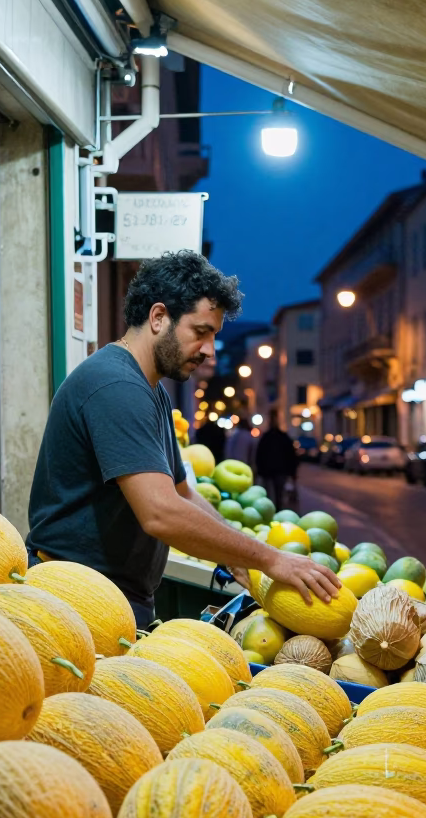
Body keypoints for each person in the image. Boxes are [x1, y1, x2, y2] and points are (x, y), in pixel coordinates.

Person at [26, 250, 340, 629]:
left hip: (110, 598)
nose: (209, 350)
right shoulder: (115, 385)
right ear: (159, 317)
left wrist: (240, 554)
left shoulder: (149, 388)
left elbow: (183, 493)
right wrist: (271, 559)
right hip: (77, 601)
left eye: (214, 336)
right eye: (201, 332)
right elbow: (161, 513)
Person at [255, 410, 298, 509]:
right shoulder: (281, 437)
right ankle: (275, 511)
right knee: (276, 495)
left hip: (273, 472)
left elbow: (259, 455)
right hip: (275, 472)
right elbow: (291, 456)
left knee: (273, 495)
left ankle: (273, 511)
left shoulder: (268, 437)